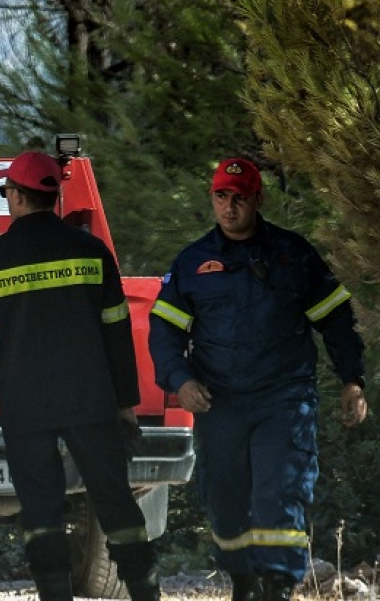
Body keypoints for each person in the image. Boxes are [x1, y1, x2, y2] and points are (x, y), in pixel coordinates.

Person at [148, 158, 368, 601]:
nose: (229, 207)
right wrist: (181, 380)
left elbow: (337, 320)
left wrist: (352, 380)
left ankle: (278, 586)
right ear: (212, 199)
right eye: (221, 197)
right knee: (225, 499)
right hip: (219, 402)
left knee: (280, 491)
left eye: (239, 198)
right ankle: (244, 582)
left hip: (283, 399)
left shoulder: (294, 254)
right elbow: (164, 331)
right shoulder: (193, 261)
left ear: (257, 200)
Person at [0, 152, 160, 601]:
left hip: (25, 403)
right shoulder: (92, 252)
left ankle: (55, 594)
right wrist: (124, 399)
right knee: (113, 498)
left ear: (16, 196)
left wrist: (9, 369)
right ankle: (145, 592)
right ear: (52, 196)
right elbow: (117, 332)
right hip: (91, 399)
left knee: (40, 506)